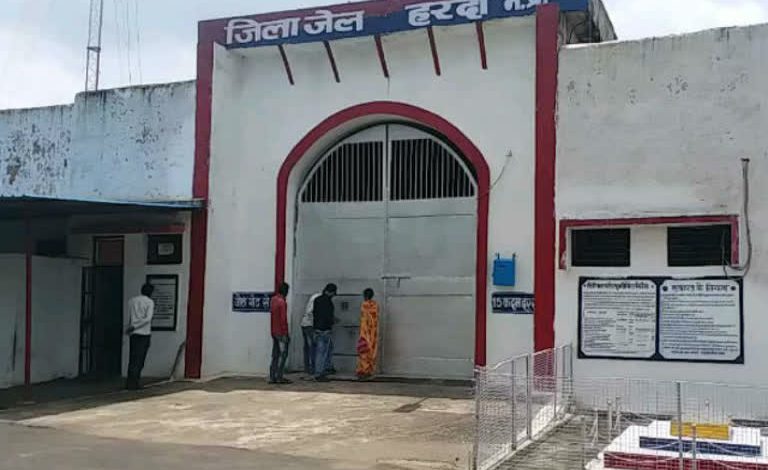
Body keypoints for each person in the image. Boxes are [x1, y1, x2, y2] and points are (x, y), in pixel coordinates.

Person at [126, 283, 155, 390]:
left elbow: (129, 316)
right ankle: (135, 382)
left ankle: (129, 381)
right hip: (144, 333)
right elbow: (148, 319)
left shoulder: (132, 301)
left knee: (133, 357)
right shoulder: (149, 302)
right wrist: (136, 326)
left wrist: (130, 327)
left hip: (134, 333)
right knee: (140, 359)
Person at [313, 283, 337, 382]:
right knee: (322, 352)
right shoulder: (328, 302)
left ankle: (324, 368)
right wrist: (332, 322)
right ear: (330, 292)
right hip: (325, 330)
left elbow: (315, 314)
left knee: (321, 351)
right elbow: (328, 316)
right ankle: (320, 373)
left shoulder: (317, 300)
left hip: (317, 329)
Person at [269, 282, 292, 384]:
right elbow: (283, 319)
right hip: (281, 332)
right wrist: (285, 333)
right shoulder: (282, 302)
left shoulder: (273, 300)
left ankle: (272, 376)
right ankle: (279, 377)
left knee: (275, 355)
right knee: (282, 355)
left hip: (274, 331)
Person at [356, 288, 379, 380]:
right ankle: (369, 370)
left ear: (364, 295)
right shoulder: (375, 305)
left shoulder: (364, 305)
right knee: (372, 351)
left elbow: (364, 319)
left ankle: (363, 371)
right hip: (373, 333)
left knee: (363, 351)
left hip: (365, 333)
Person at [300, 291, 321, 376]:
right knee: (312, 346)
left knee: (307, 347)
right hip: (309, 325)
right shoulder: (317, 299)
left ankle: (307, 367)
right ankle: (312, 368)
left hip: (304, 324)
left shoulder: (314, 297)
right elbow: (310, 312)